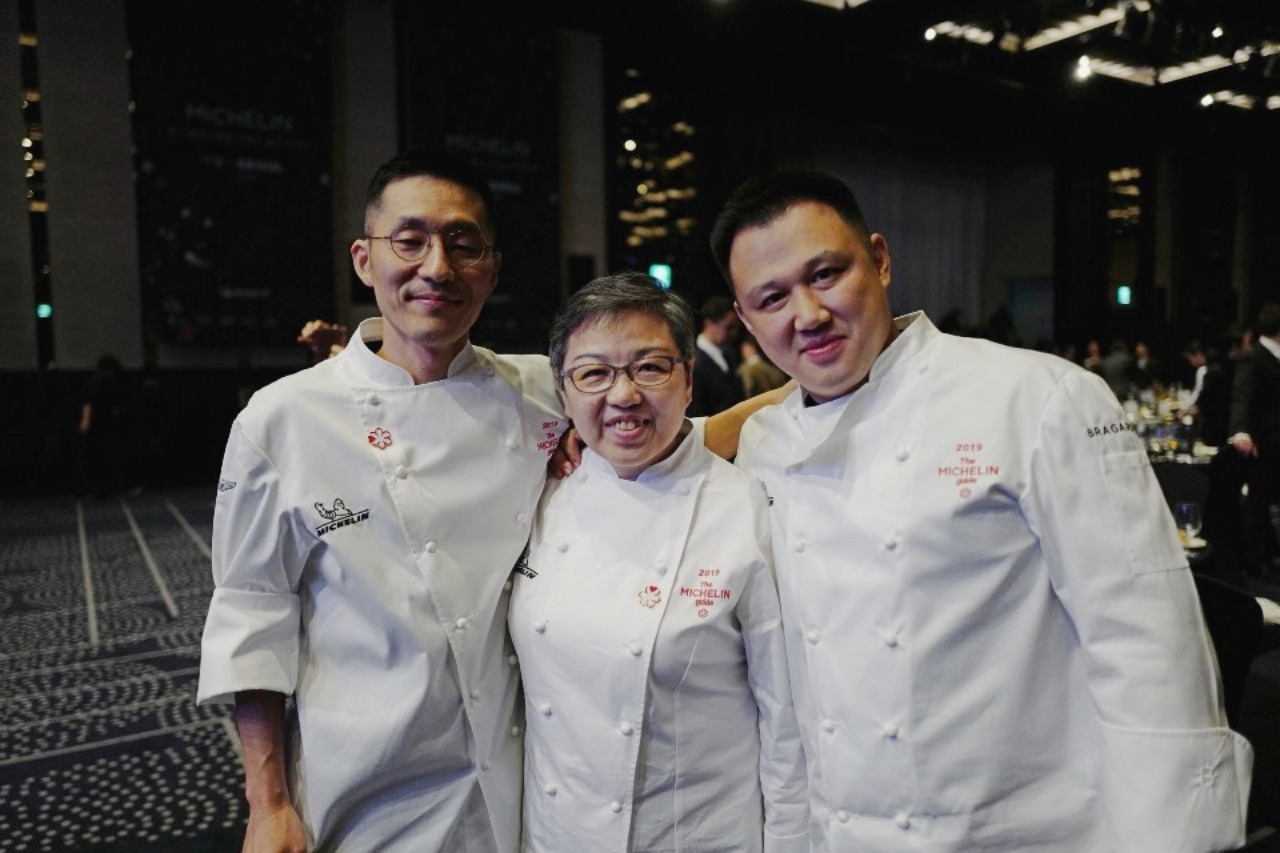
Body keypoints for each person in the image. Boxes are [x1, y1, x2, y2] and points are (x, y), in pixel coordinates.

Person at [198, 148, 786, 853]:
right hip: (360, 783)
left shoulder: (537, 389)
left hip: (509, 784)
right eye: (409, 241)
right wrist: (268, 806)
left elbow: (664, 428)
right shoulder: (281, 421)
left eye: (463, 243)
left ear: (493, 269)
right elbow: (251, 615)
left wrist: (836, 376)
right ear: (364, 259)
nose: (437, 267)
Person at [709, 168, 1252, 852]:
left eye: (826, 274)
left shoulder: (1037, 397)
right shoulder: (763, 444)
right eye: (772, 297)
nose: (808, 315)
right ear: (744, 315)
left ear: (879, 259)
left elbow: (1148, 647)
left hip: (1024, 831)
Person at [509, 273, 808, 852]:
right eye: (594, 374)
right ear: (563, 392)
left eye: (650, 367)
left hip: (695, 836)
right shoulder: (537, 494)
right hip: (555, 835)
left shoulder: (745, 510)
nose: (623, 395)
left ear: (689, 379)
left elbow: (786, 725)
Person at [1229, 302, 1280, 578]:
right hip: (1264, 442)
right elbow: (1242, 395)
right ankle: (1256, 560)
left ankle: (1270, 555)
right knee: (1258, 502)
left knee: (1269, 502)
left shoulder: (1273, 355)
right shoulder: (1254, 357)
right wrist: (1241, 430)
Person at [688, 295, 745, 416]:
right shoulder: (693, 363)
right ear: (709, 324)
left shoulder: (730, 355)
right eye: (729, 328)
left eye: (736, 328)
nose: (734, 334)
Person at [738, 332, 789, 397]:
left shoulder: (753, 367)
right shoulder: (767, 362)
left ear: (752, 348)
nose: (743, 352)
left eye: (745, 349)